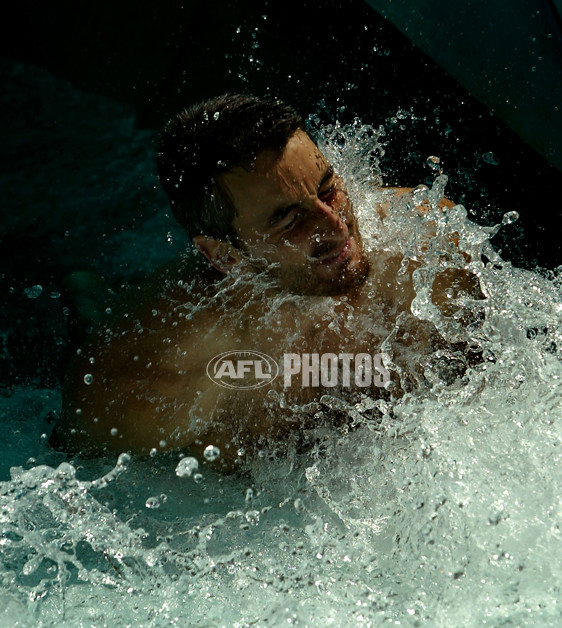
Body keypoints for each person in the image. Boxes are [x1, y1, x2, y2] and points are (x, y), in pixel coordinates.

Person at [56, 93, 483, 470]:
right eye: (290, 219)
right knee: (88, 315)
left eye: (328, 188)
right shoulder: (159, 379)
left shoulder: (424, 247)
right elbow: (75, 479)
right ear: (224, 256)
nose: (336, 226)